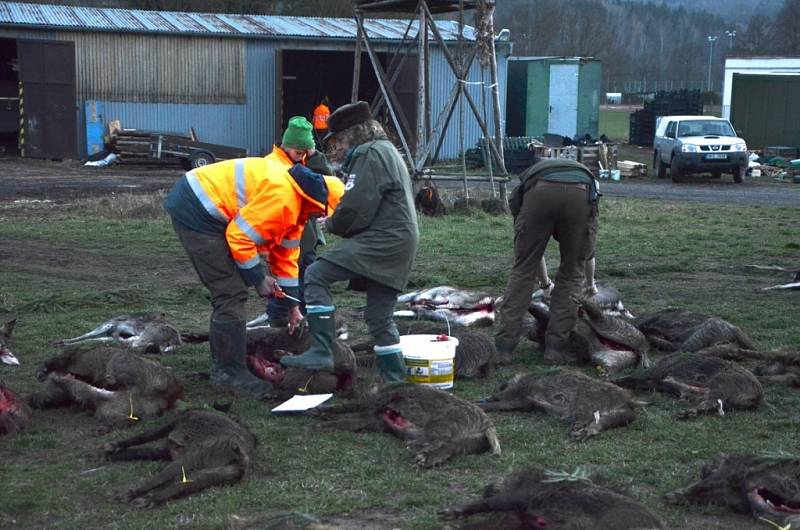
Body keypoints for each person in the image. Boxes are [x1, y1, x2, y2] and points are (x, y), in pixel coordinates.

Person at [163, 116, 344, 398]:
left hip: (211, 208)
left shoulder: (297, 211)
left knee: (236, 288)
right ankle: (228, 373)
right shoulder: (284, 199)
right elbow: (239, 237)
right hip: (197, 209)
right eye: (324, 214)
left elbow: (286, 260)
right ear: (319, 204)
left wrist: (292, 305)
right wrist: (258, 279)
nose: (322, 219)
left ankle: (229, 360)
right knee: (231, 292)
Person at [280, 101, 419, 382]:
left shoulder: (370, 154)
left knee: (316, 273)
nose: (338, 148)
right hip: (400, 240)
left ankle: (322, 349)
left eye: (340, 140)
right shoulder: (387, 151)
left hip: (383, 240)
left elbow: (358, 205)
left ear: (354, 134)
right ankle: (394, 378)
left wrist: (331, 223)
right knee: (379, 316)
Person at [495, 156, 600, 364]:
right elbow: (586, 253)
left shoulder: (523, 189)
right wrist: (590, 283)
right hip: (581, 192)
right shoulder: (591, 181)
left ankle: (504, 349)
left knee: (522, 271)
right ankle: (555, 350)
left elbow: (530, 257)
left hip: (539, 193)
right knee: (571, 274)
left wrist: (544, 284)